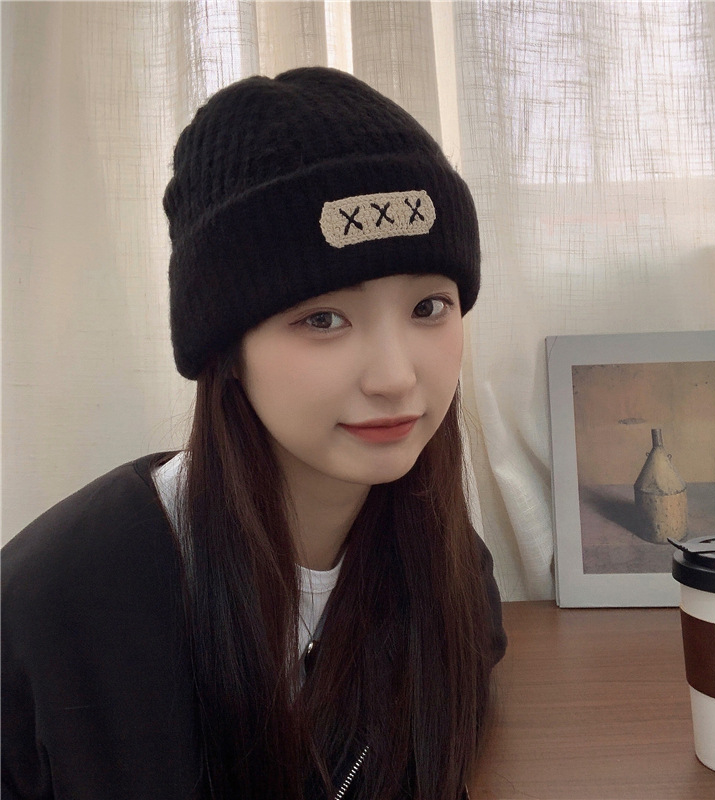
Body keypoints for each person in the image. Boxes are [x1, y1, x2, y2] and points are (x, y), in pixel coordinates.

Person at [1, 67, 506, 800]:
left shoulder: (451, 572)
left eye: (429, 307)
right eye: (324, 319)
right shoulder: (55, 612)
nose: (396, 377)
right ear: (226, 351)